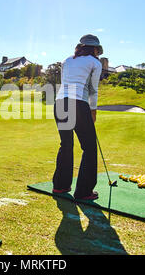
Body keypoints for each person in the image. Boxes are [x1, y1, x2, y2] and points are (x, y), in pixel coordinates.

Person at [53, 34, 103, 200]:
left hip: (60, 103)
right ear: (95, 48)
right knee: (89, 147)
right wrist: (93, 110)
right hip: (78, 104)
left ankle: (60, 186)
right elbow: (92, 89)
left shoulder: (67, 60)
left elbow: (63, 83)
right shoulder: (95, 62)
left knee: (66, 144)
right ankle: (83, 192)